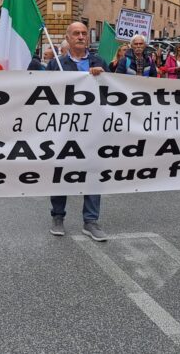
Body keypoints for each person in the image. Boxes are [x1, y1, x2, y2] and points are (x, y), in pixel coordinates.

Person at [45, 22, 109, 242]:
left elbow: (113, 92)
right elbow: (45, 94)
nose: (81, 37)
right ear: (68, 38)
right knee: (61, 171)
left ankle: (91, 221)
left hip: (93, 128)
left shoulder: (99, 62)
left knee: (93, 172)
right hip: (64, 129)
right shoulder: (56, 64)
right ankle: (58, 216)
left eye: (84, 33)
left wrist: (101, 77)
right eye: (76, 34)